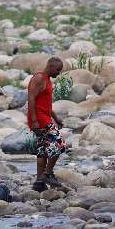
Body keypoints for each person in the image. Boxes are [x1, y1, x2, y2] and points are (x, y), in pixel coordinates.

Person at [28, 57, 68, 192]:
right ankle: (48, 174)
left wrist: (56, 118)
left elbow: (46, 104)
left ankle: (39, 183)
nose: (58, 73)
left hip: (45, 117)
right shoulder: (39, 78)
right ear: (50, 66)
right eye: (57, 70)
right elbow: (31, 98)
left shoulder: (47, 80)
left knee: (43, 150)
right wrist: (34, 120)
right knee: (60, 144)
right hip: (39, 119)